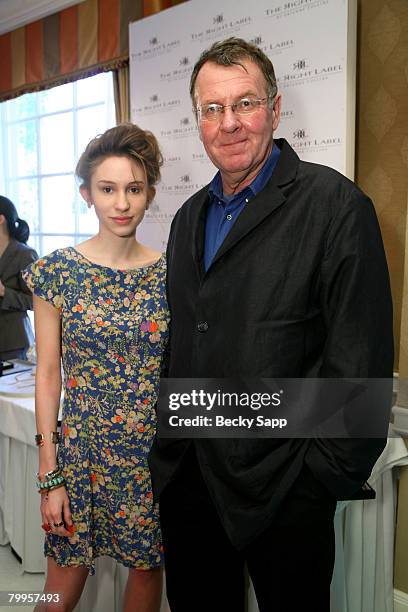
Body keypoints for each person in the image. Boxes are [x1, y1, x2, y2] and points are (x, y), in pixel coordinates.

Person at [148, 38, 394, 612]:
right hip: (190, 480)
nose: (228, 123)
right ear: (199, 120)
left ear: (275, 110)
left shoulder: (336, 207)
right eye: (213, 108)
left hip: (285, 489)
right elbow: (185, 338)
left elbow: (360, 361)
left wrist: (317, 482)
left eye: (245, 104)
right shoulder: (189, 218)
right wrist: (170, 447)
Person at [23, 123, 169, 612]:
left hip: (151, 457)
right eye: (108, 189)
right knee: (58, 595)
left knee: (147, 574)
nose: (122, 203)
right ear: (87, 194)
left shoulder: (170, 274)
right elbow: (48, 376)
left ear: (149, 193)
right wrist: (50, 476)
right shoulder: (57, 271)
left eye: (134, 189)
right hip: (81, 457)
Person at [0, 196, 38, 361]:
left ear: (1, 219)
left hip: (12, 343)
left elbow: (36, 301)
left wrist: (3, 292)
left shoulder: (25, 254)